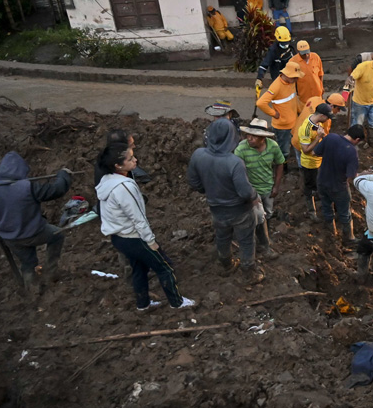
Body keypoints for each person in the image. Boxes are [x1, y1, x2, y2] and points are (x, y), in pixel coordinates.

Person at [96, 143, 196, 311]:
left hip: (118, 238)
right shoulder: (124, 187)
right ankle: (177, 303)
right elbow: (138, 217)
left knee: (139, 269)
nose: (135, 160)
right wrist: (151, 241)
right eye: (130, 159)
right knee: (164, 267)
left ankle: (143, 304)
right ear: (118, 165)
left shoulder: (106, 182)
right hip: (134, 237)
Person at [0, 153, 72, 296]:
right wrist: (63, 176)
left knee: (28, 262)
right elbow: (57, 190)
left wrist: (0, 230)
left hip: (10, 238)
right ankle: (50, 272)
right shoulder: (27, 187)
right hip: (34, 232)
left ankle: (31, 290)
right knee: (57, 235)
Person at [186, 119, 262, 282]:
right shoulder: (234, 163)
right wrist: (255, 195)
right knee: (247, 241)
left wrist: (207, 189)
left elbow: (193, 182)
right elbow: (244, 192)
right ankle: (249, 272)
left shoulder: (198, 155)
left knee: (222, 237)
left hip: (216, 209)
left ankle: (226, 264)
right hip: (240, 211)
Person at [235, 118, 285, 260]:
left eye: (253, 136)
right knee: (255, 216)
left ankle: (265, 238)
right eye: (248, 135)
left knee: (268, 214)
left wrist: (276, 186)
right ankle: (261, 244)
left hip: (267, 188)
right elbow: (236, 171)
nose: (249, 138)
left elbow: (280, 164)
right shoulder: (241, 149)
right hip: (251, 190)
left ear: (263, 138)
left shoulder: (273, 147)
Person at [313, 124, 365, 246]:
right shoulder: (352, 152)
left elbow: (315, 153)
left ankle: (331, 234)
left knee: (326, 207)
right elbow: (350, 176)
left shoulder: (330, 137)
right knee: (345, 213)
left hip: (321, 181)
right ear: (357, 140)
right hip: (338, 187)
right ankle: (349, 239)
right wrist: (361, 175)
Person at [295, 102, 335, 219]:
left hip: (318, 162)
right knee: (309, 188)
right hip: (309, 165)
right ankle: (312, 212)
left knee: (321, 185)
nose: (328, 119)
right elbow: (306, 149)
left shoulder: (316, 122)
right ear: (322, 115)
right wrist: (318, 137)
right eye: (327, 117)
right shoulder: (306, 129)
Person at [255, 26, 295, 91]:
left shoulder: (291, 49)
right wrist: (259, 78)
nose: (286, 45)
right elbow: (264, 65)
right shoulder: (273, 51)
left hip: (291, 78)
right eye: (283, 43)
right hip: (278, 79)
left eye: (287, 42)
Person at [293, 40, 324, 106]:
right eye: (304, 54)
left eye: (307, 52)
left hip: (317, 95)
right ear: (298, 52)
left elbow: (320, 74)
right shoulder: (293, 62)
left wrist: (321, 87)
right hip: (304, 98)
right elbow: (292, 81)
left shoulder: (316, 57)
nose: (307, 55)